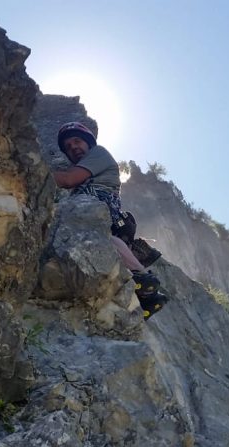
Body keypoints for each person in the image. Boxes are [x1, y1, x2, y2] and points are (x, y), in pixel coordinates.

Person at [51, 121, 168, 319]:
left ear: (88, 142)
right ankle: (147, 297)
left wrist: (35, 171)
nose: (73, 148)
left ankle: (143, 278)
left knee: (100, 235)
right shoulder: (89, 163)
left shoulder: (98, 154)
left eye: (77, 141)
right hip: (95, 205)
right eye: (69, 147)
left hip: (99, 203)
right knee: (100, 241)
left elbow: (68, 180)